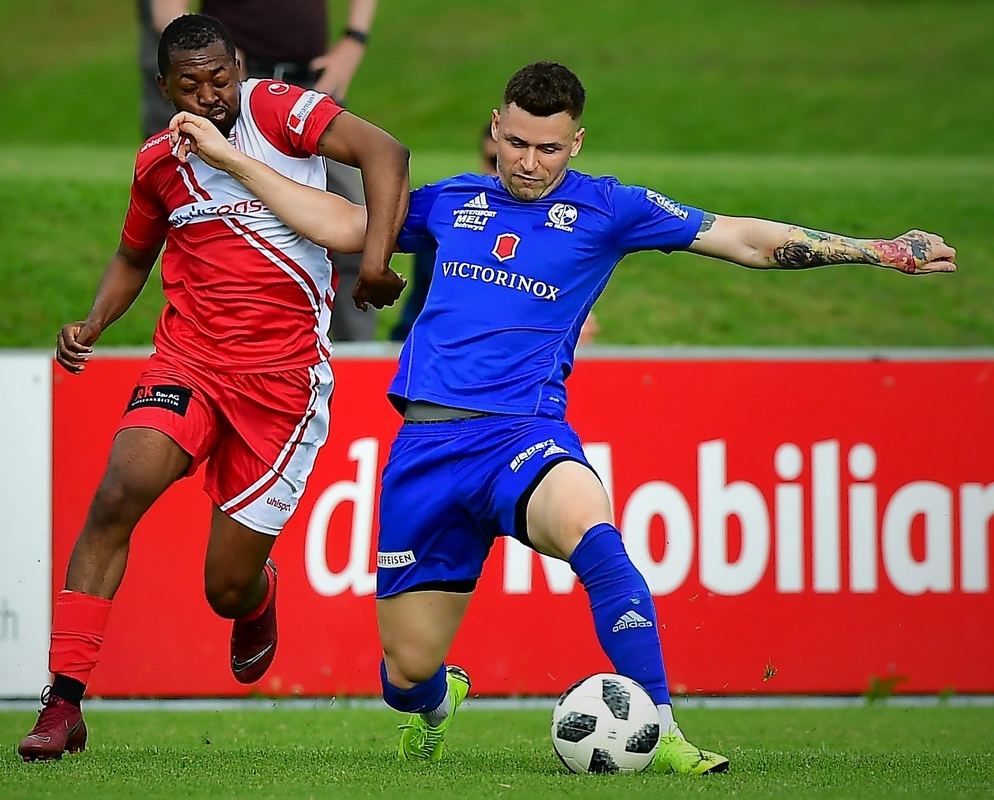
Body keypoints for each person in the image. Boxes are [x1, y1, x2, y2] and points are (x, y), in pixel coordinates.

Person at [169, 60, 956, 773]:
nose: (529, 162)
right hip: (425, 452)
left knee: (592, 529)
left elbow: (743, 239)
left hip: (522, 433)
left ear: (575, 143)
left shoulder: (610, 208)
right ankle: (438, 702)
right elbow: (344, 224)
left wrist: (876, 250)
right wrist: (232, 159)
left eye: (548, 149)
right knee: (406, 675)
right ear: (495, 131)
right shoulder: (451, 201)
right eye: (516, 144)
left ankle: (662, 728)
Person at [16, 13, 408, 762]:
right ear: (164, 88)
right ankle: (62, 702)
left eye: (220, 79)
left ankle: (257, 598)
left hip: (283, 384)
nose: (209, 96)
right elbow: (134, 255)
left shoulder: (278, 111)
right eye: (190, 85)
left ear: (241, 69)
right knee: (117, 493)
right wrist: (93, 322)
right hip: (188, 364)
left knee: (224, 588)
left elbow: (385, 152)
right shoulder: (158, 163)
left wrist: (375, 263)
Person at [139, 0, 381, 342]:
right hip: (229, 89)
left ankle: (352, 361)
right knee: (221, 234)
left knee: (358, 231)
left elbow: (384, 154)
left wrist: (356, 38)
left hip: (309, 85)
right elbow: (166, 9)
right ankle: (224, 345)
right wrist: (213, 66)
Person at [388, 123, 601, 345]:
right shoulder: (457, 218)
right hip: (425, 347)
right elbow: (472, 300)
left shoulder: (561, 228)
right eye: (495, 161)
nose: (519, 170)